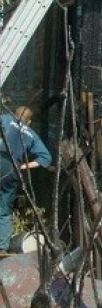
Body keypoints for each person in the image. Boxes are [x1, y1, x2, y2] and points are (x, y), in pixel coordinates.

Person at [0, 106, 52, 252]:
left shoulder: (4, 119)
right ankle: (1, 248)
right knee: (4, 209)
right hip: (12, 169)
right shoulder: (31, 133)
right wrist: (22, 166)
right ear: (29, 122)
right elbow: (46, 158)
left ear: (13, 114)